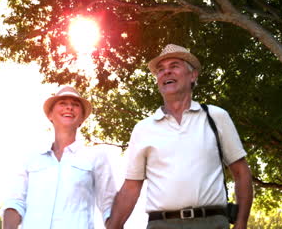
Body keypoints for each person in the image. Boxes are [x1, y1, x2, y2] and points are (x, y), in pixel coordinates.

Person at [107, 44, 253, 229]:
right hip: (161, 225)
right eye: (161, 70)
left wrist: (241, 223)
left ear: (192, 76)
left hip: (212, 223)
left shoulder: (215, 117)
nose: (166, 72)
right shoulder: (143, 129)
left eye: (174, 66)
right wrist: (113, 226)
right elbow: (131, 187)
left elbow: (241, 173)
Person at [3, 86, 117, 229]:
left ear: (81, 118)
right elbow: (15, 203)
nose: (69, 107)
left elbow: (110, 206)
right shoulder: (31, 159)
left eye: (75, 105)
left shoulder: (96, 157)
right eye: (62, 103)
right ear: (50, 115)